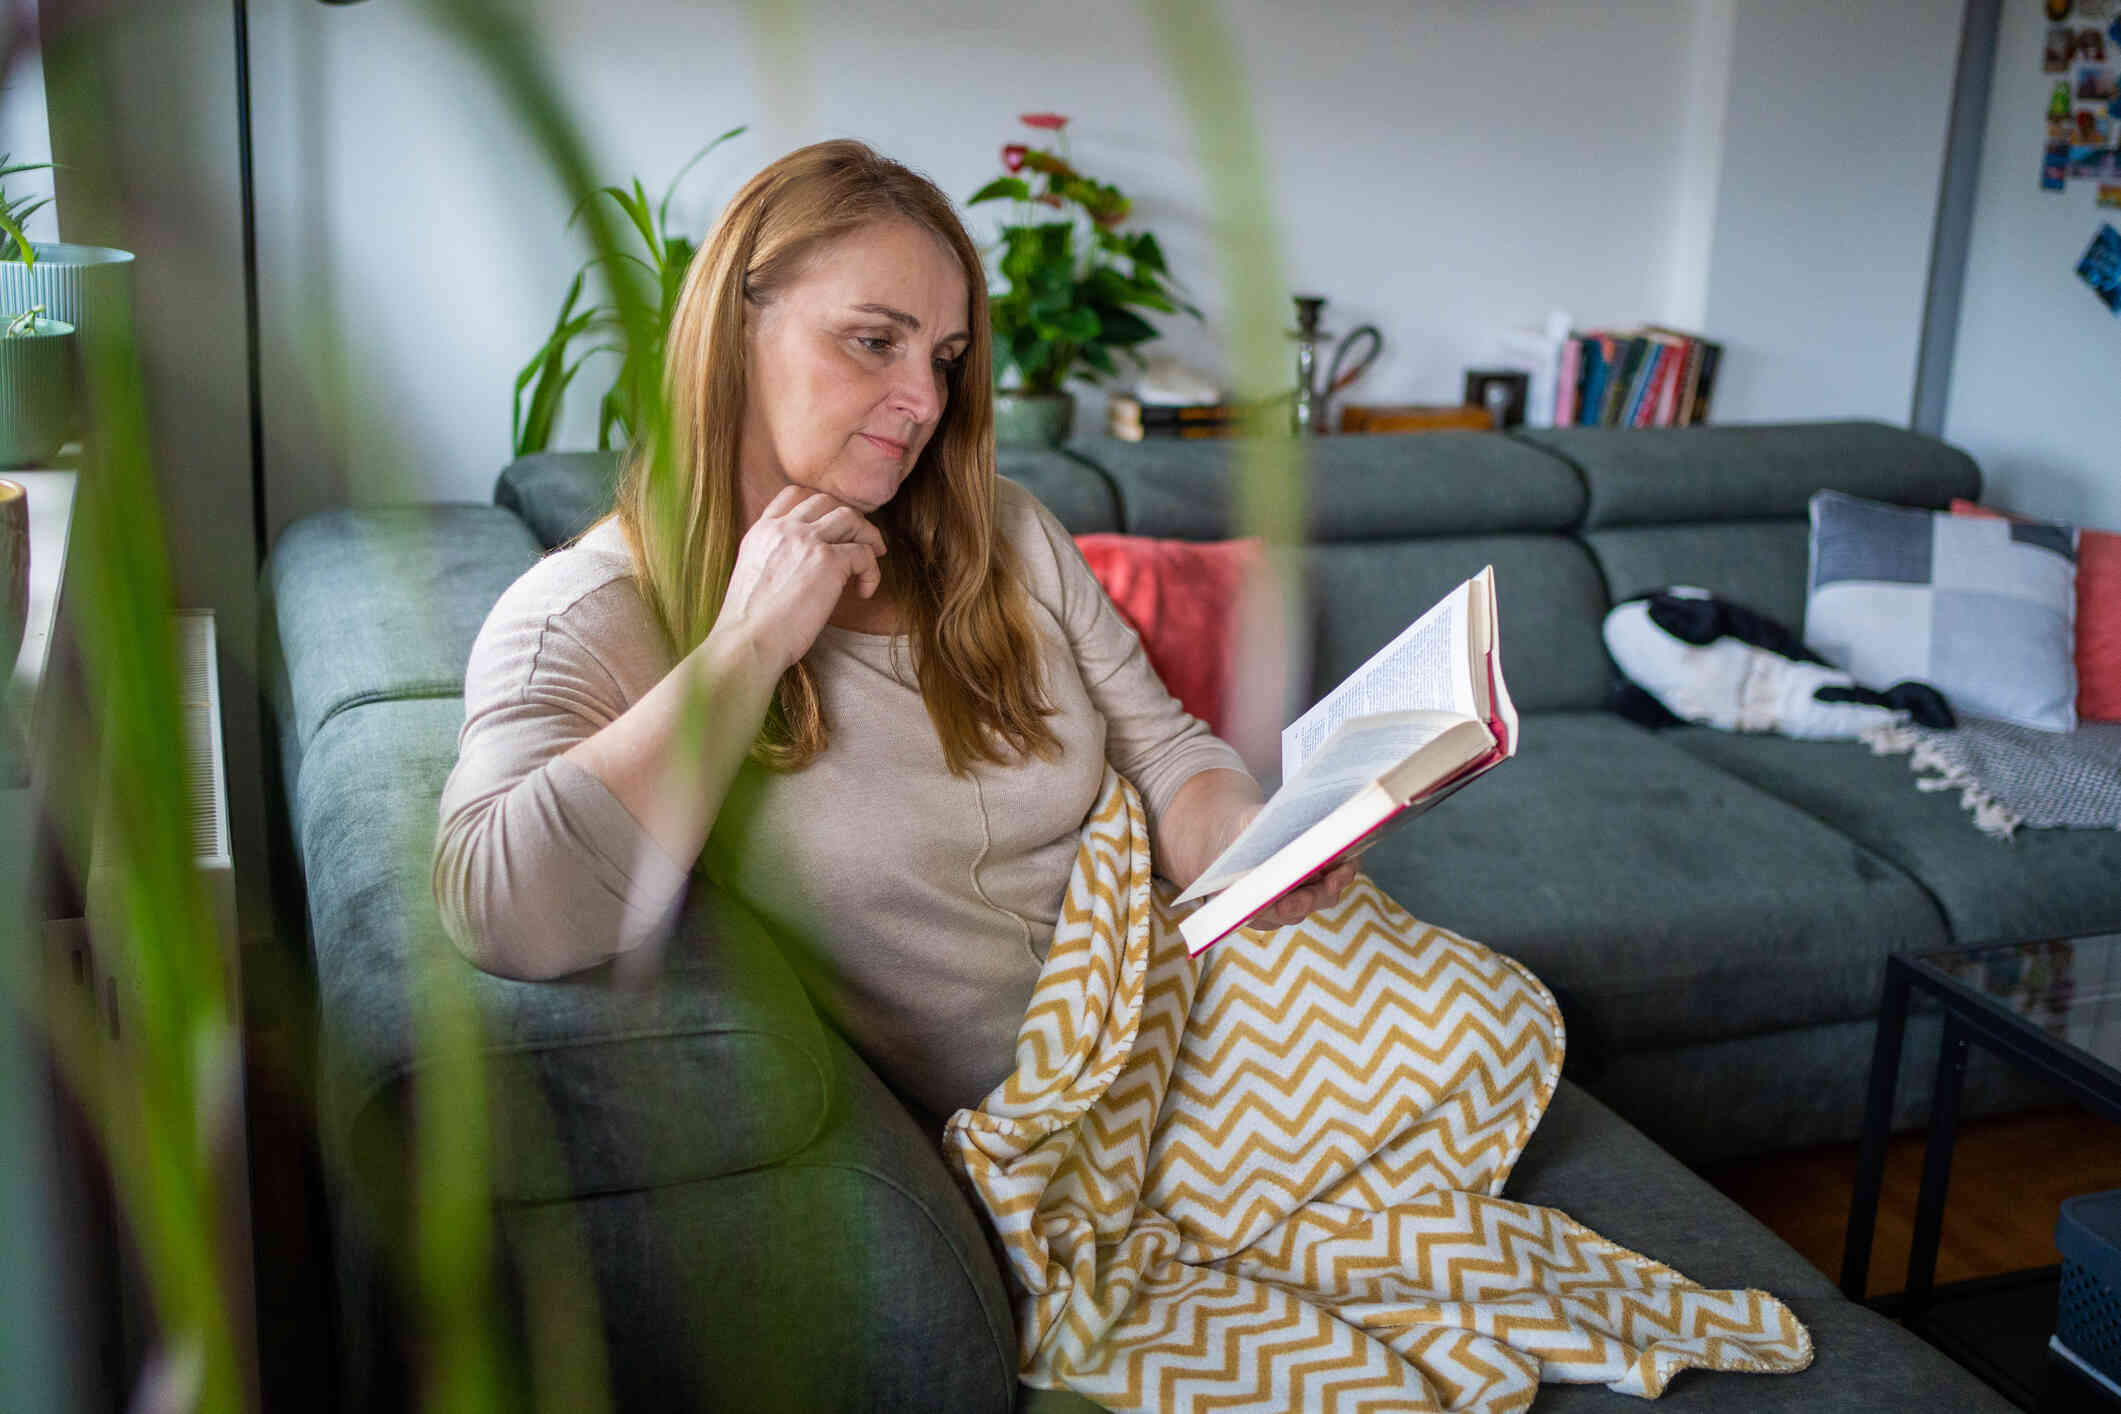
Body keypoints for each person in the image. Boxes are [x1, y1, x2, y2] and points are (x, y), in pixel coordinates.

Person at [431, 139, 1360, 1127]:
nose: (926, 402)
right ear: (734, 330)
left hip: (1196, 1020)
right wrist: (749, 642)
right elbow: (500, 911)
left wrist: (1251, 841)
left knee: (1500, 1030)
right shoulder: (589, 613)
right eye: (874, 341)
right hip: (1059, 1131)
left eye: (946, 360)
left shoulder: (1000, 532)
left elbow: (1168, 752)